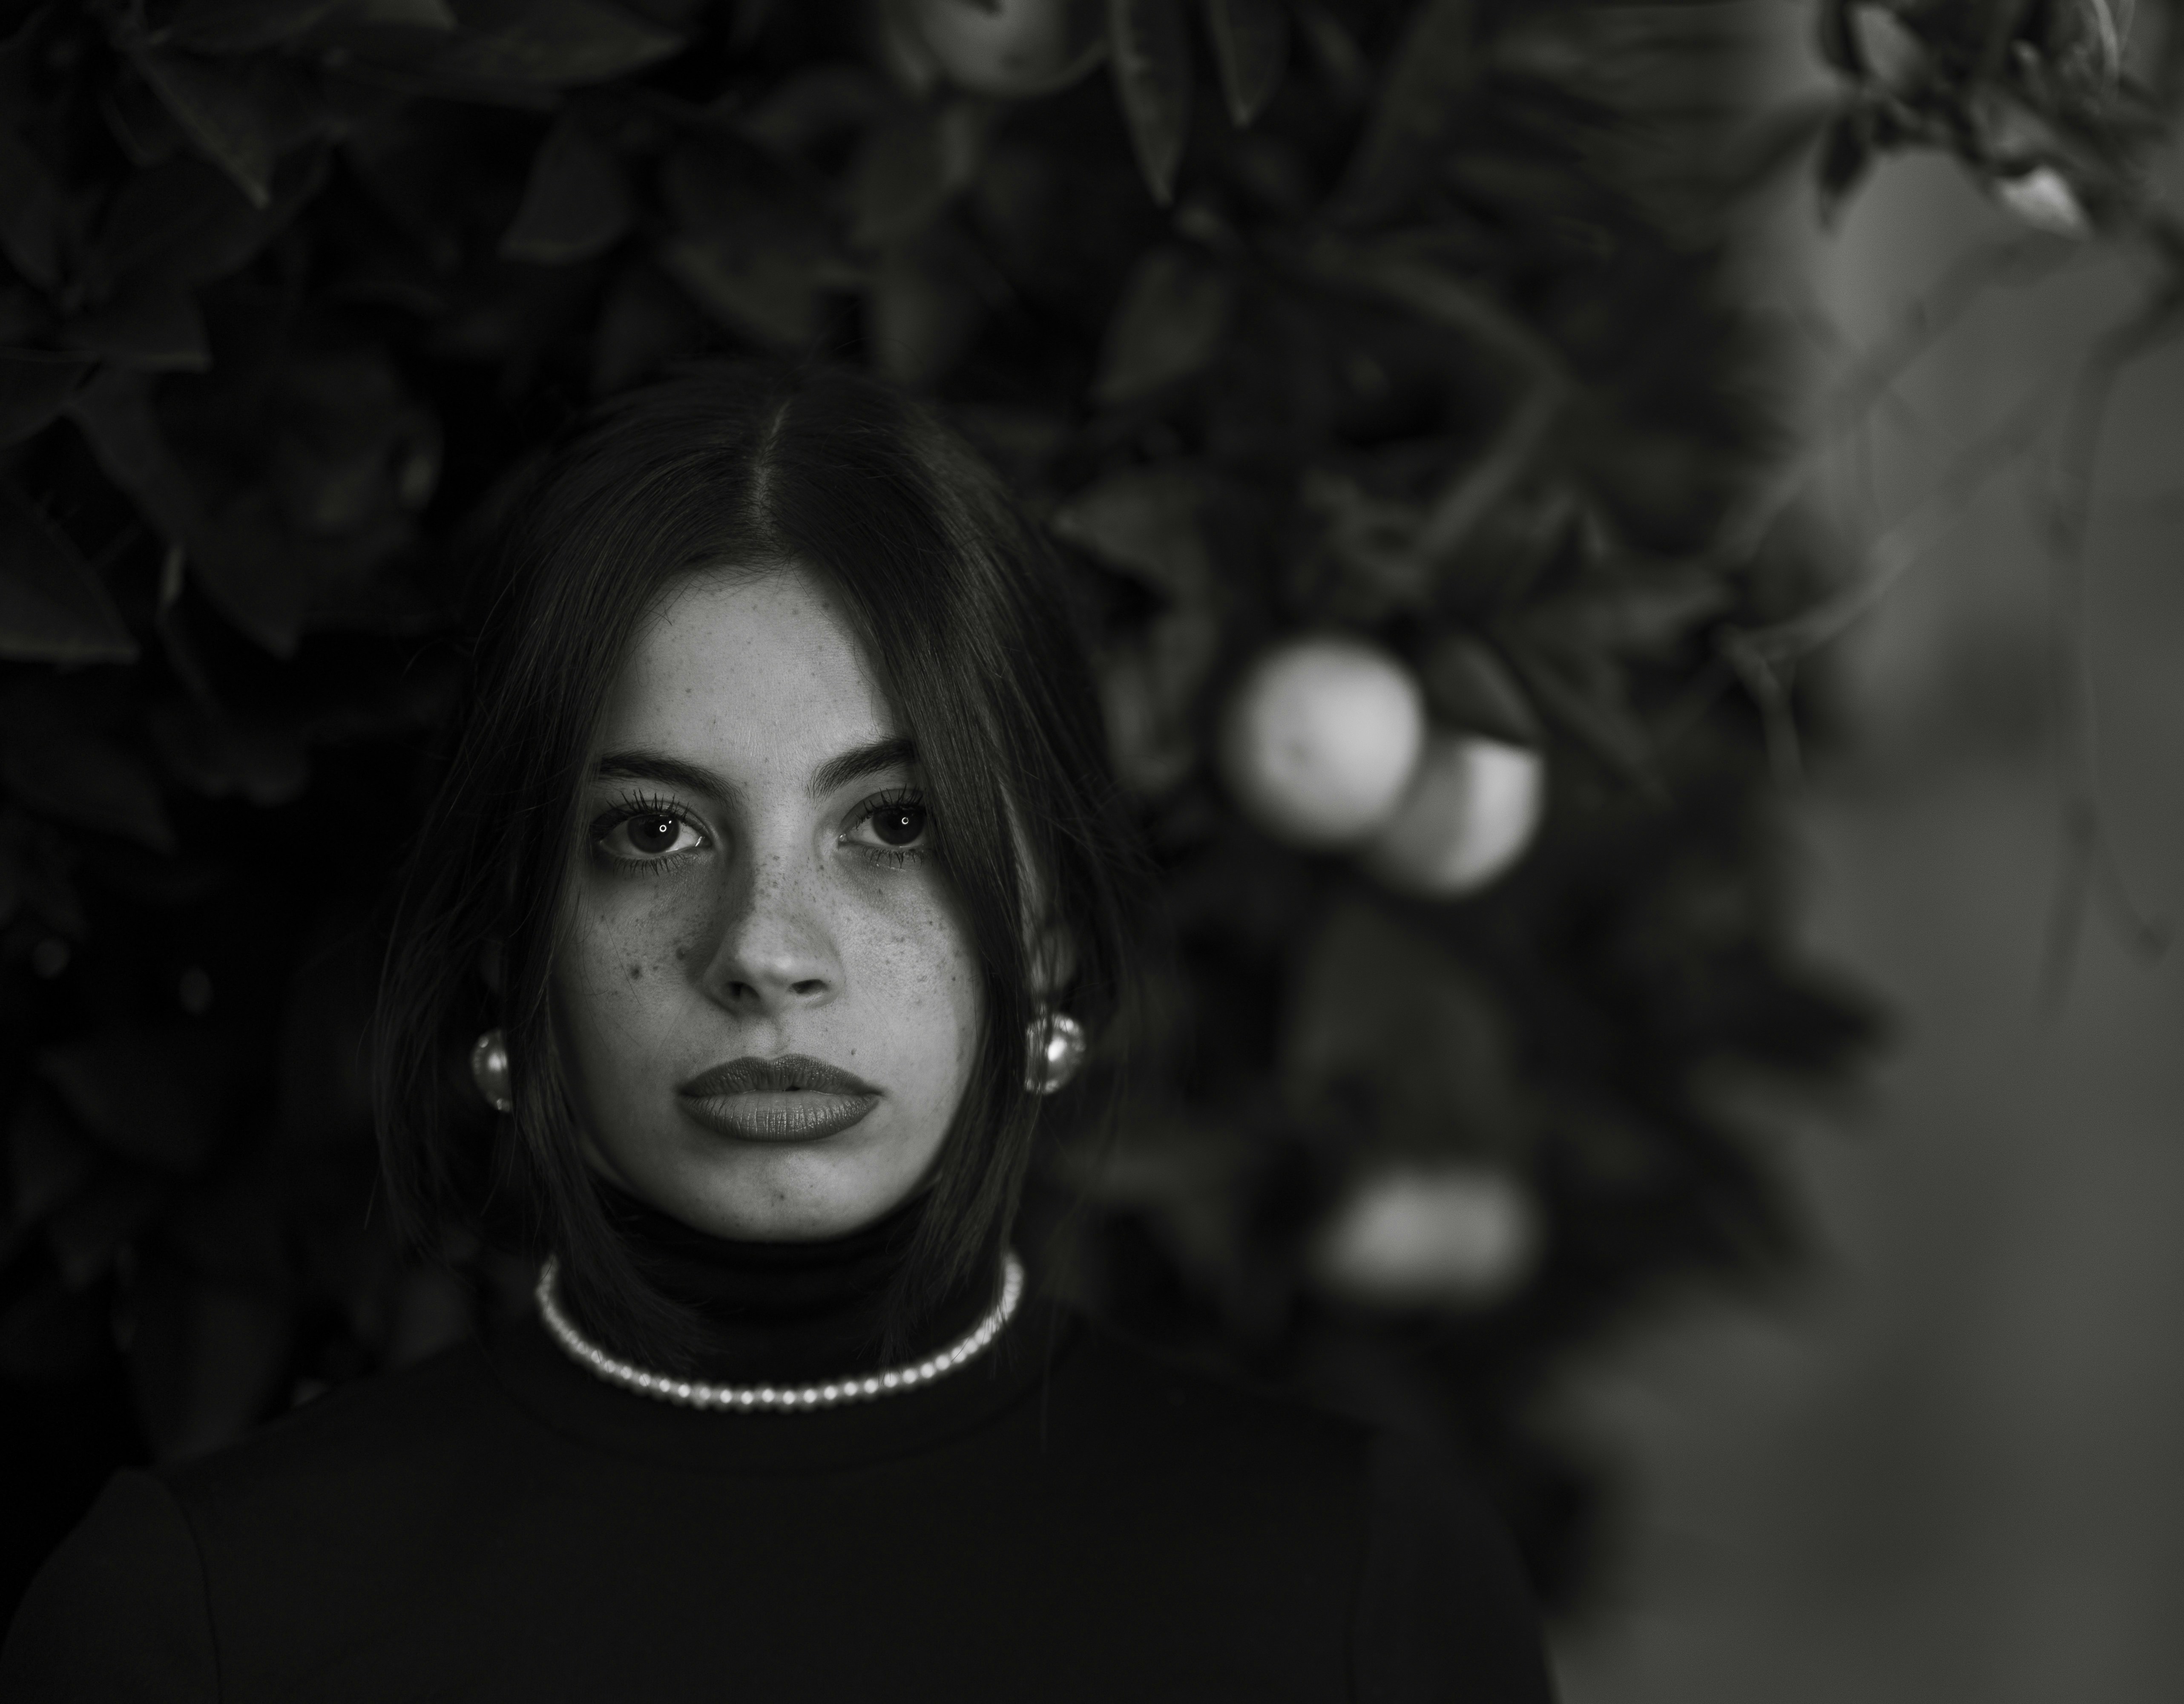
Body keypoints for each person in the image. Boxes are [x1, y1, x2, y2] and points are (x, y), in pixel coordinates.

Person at [0, 362, 1553, 1702]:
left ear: (1050, 932)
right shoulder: (199, 1626)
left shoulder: (1363, 1586)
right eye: (655, 835)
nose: (765, 953)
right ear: (508, 944)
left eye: (893, 821)